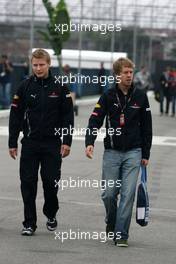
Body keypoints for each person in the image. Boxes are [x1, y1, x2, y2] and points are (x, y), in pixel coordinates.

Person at [85, 57, 152, 247]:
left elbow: (147, 127)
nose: (129, 75)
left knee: (127, 193)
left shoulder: (140, 96)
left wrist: (145, 154)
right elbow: (94, 120)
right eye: (126, 72)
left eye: (131, 72)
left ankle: (121, 234)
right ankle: (112, 221)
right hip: (112, 152)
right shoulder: (107, 96)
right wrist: (89, 142)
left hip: (134, 152)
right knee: (108, 193)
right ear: (117, 75)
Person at [8, 49, 74, 236]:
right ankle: (29, 223)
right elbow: (15, 116)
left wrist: (67, 141)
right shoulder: (24, 86)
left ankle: (51, 213)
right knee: (27, 183)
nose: (38, 68)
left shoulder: (61, 87)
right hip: (29, 143)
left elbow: (68, 117)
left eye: (41, 65)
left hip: (52, 144)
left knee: (50, 184)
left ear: (49, 64)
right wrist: (12, 142)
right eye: (35, 65)